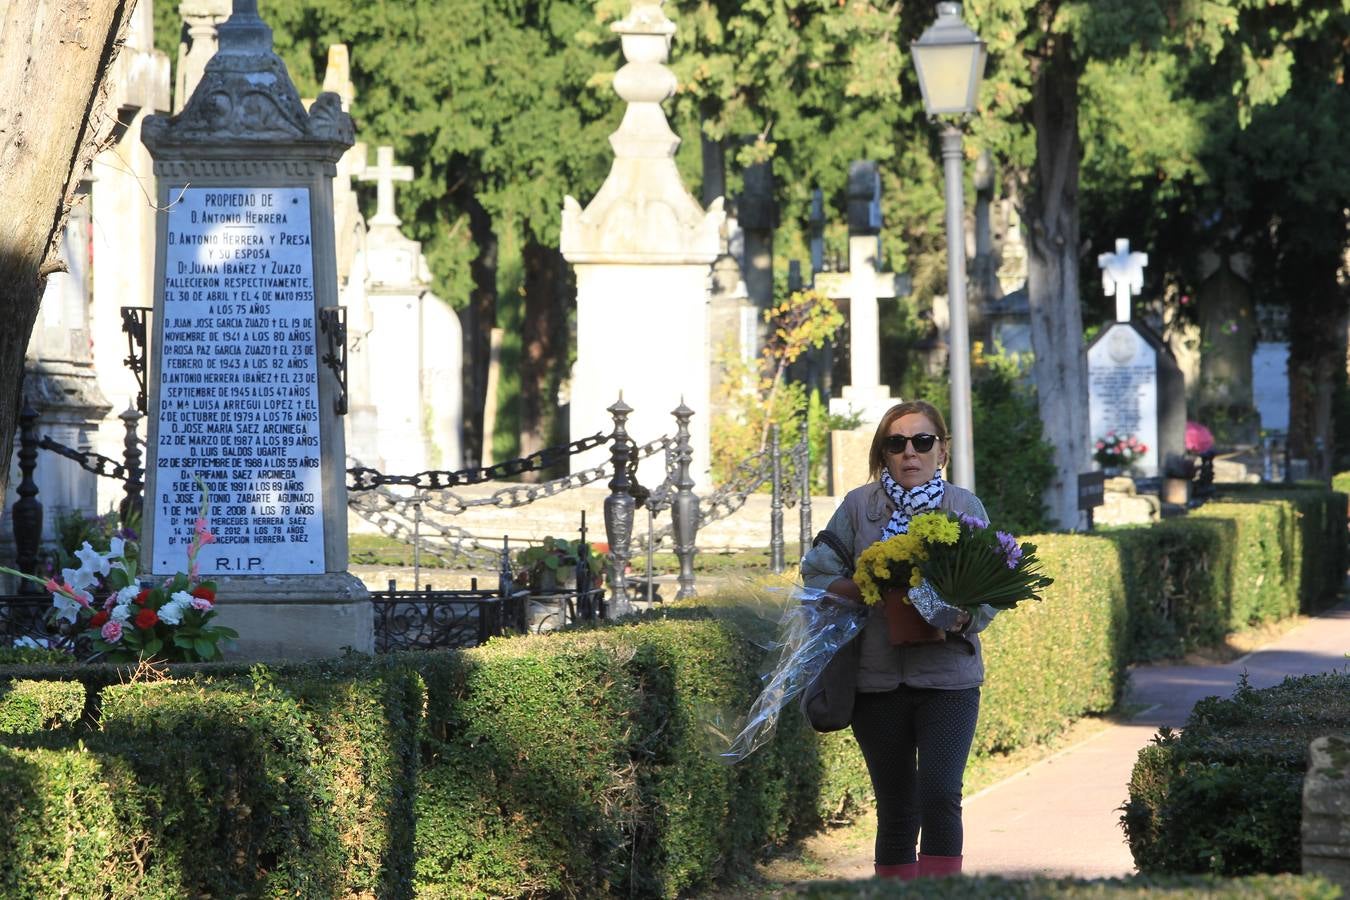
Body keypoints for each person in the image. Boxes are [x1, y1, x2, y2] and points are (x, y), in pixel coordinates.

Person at [800, 399, 995, 881]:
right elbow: (817, 573)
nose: (910, 452)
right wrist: (869, 585)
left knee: (941, 794)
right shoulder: (856, 508)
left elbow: (990, 590)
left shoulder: (963, 507)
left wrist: (956, 614)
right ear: (883, 454)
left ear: (942, 451)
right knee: (896, 807)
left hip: (948, 678)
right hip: (876, 679)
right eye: (896, 443)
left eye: (922, 441)